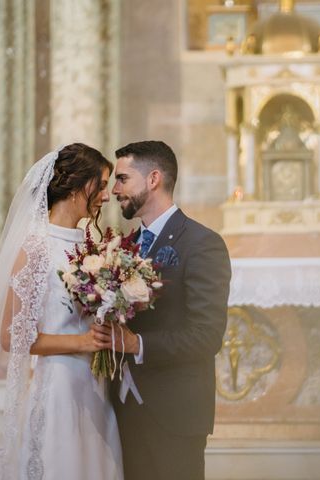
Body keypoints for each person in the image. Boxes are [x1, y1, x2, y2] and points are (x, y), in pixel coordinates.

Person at [0, 143, 124, 479]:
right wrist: (81, 343)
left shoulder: (91, 246)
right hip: (59, 387)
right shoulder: (36, 246)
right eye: (102, 184)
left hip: (94, 386)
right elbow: (12, 336)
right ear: (79, 184)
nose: (106, 196)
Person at [91, 140, 232, 480]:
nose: (114, 190)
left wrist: (137, 345)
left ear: (153, 179)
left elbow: (206, 336)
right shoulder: (124, 245)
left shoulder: (202, 243)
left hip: (173, 414)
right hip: (121, 408)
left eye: (123, 179)